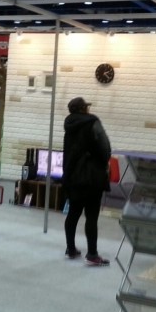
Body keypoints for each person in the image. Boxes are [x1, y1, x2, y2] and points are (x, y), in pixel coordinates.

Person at [62, 97, 112, 266]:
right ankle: (92, 255)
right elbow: (105, 149)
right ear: (83, 109)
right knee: (91, 216)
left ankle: (70, 249)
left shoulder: (68, 125)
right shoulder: (92, 122)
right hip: (92, 177)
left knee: (73, 213)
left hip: (73, 176)